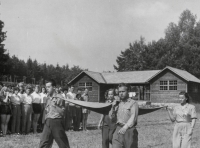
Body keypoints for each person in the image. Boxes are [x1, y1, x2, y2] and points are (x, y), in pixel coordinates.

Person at [39, 79, 70, 148]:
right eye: (46, 87)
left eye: (49, 87)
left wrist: (55, 106)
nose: (47, 89)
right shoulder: (47, 98)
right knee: (44, 143)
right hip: (48, 122)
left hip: (57, 121)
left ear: (54, 87)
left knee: (63, 143)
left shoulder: (59, 97)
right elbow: (46, 111)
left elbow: (63, 112)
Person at [109, 83, 139, 148]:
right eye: (119, 92)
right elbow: (112, 119)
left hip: (129, 131)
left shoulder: (133, 103)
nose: (121, 93)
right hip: (118, 130)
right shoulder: (117, 103)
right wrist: (113, 108)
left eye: (123, 91)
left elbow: (133, 117)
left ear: (128, 91)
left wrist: (125, 127)